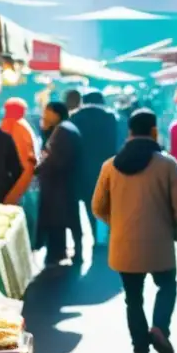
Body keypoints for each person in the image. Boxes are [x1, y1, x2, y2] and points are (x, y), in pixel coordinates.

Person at [92, 109, 177, 353]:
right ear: (154, 131)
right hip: (160, 244)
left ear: (129, 133)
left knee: (133, 299)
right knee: (167, 286)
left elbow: (98, 206)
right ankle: (159, 327)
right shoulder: (167, 164)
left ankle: (140, 352)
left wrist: (119, 225)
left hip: (124, 246)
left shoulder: (110, 166)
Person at [70, 91, 120, 244]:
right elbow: (116, 143)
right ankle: (106, 235)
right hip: (107, 166)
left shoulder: (75, 118)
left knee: (89, 203)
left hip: (82, 169)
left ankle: (95, 235)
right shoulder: (111, 117)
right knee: (107, 203)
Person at [36, 101, 83, 266]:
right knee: (66, 219)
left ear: (56, 113)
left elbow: (55, 159)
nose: (44, 115)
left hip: (59, 184)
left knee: (60, 219)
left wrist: (40, 167)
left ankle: (59, 253)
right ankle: (63, 252)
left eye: (47, 112)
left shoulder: (63, 130)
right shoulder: (64, 128)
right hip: (64, 183)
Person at [0, 98, 40, 213]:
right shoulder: (22, 125)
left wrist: (13, 195)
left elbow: (26, 166)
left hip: (21, 189)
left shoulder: (17, 127)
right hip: (24, 188)